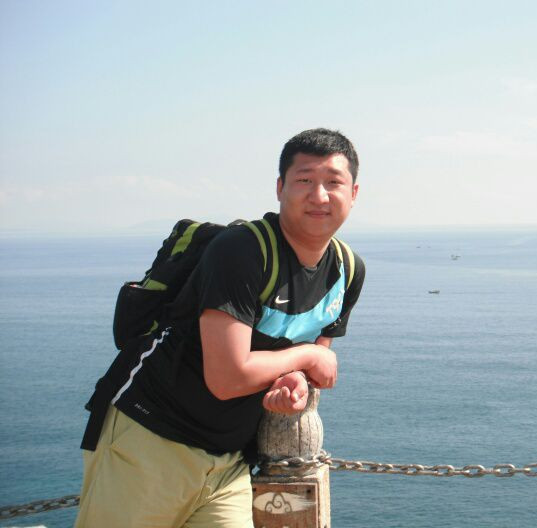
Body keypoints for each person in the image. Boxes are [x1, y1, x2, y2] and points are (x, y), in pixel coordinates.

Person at [75, 128, 365, 528]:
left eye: (333, 182)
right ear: (280, 188)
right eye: (304, 180)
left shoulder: (347, 270)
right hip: (150, 437)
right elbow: (228, 378)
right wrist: (308, 355)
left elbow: (311, 366)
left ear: (353, 193)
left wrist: (296, 378)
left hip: (230, 461)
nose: (319, 195)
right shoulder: (242, 250)